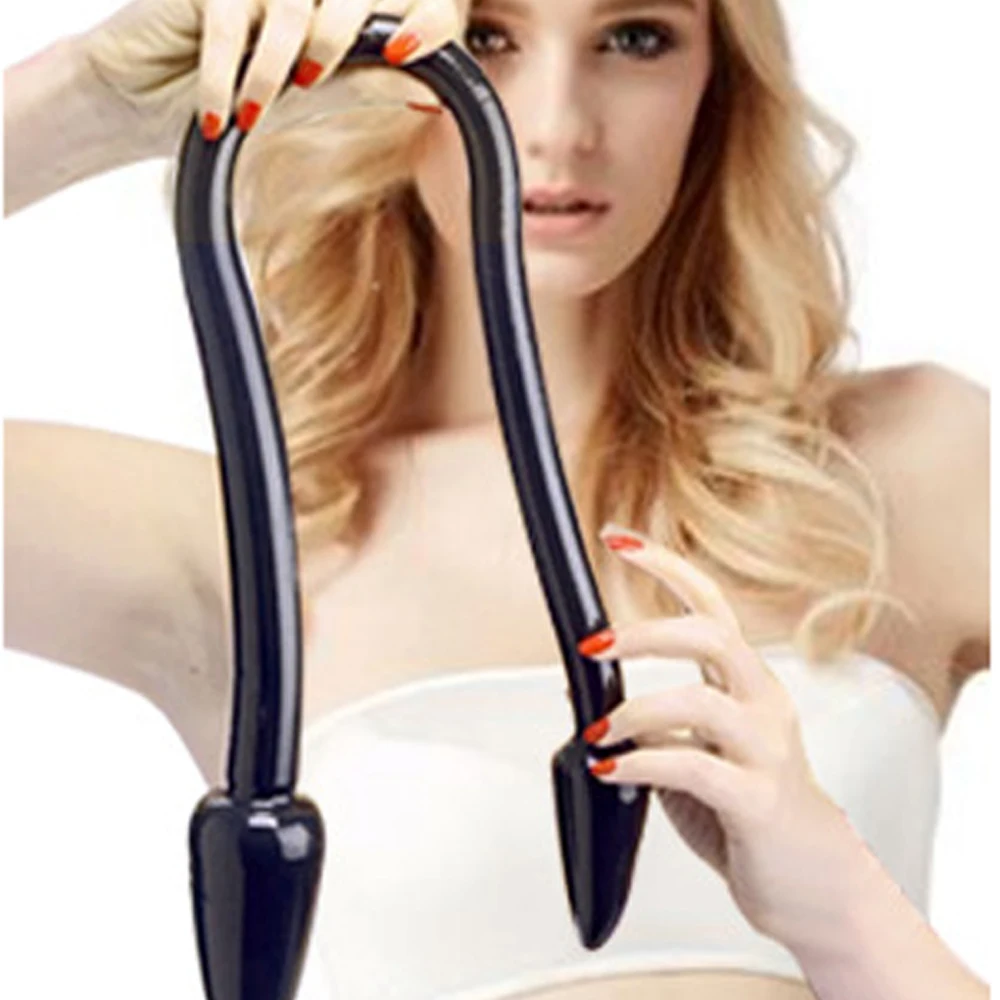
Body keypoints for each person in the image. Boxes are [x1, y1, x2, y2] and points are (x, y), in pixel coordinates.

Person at [3, 0, 990, 998]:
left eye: (634, 38)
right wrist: (79, 106)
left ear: (721, 78)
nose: (558, 125)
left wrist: (843, 907)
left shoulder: (916, 468)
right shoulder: (243, 546)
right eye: (483, 36)